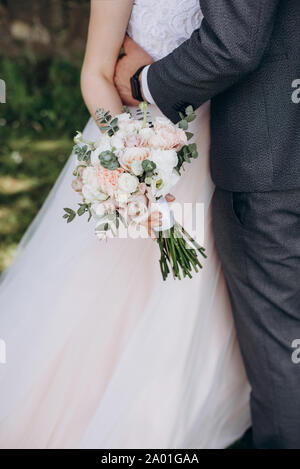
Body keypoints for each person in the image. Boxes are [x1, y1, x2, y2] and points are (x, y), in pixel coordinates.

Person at [0, 0, 250, 449]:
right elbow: (96, 73)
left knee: (202, 305)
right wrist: (131, 160)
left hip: (221, 145)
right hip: (140, 139)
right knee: (113, 301)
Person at [115, 0, 300, 449]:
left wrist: (143, 81)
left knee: (283, 351)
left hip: (269, 157)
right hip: (220, 145)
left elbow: (235, 42)